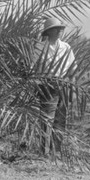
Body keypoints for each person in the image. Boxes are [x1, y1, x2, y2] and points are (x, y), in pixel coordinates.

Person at [34, 17, 75, 156]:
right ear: (49, 31)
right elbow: (33, 68)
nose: (59, 31)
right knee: (46, 120)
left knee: (60, 119)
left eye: (60, 29)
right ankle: (43, 151)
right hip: (46, 86)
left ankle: (56, 151)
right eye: (56, 29)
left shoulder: (66, 47)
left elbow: (72, 70)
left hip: (63, 85)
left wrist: (72, 89)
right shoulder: (39, 47)